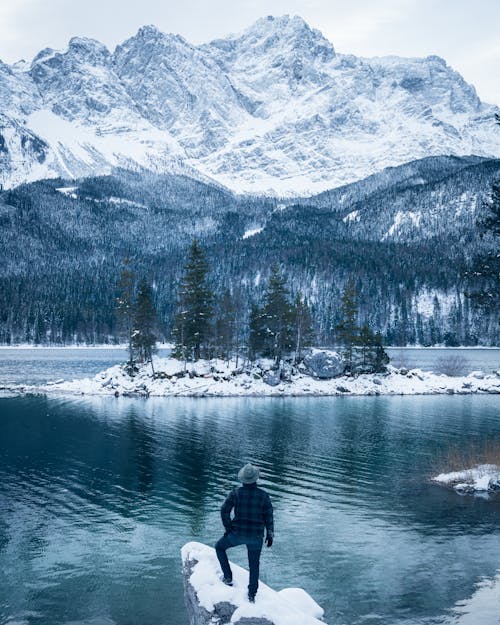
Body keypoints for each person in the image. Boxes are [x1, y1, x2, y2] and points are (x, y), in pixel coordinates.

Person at [215, 463, 274, 603]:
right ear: (256, 479)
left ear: (242, 479)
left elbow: (224, 511)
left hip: (237, 534)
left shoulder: (236, 493)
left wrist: (228, 528)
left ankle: (228, 577)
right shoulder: (263, 496)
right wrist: (270, 534)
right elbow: (269, 516)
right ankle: (252, 594)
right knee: (254, 564)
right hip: (256, 537)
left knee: (219, 547)